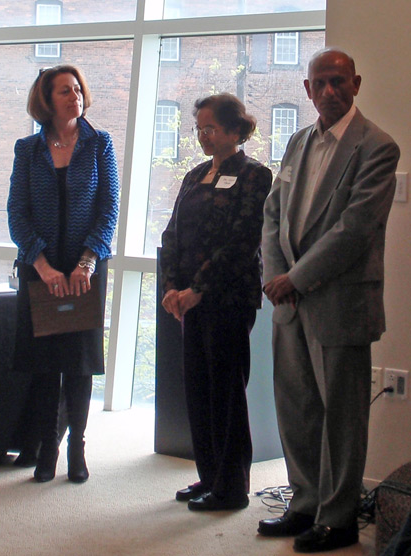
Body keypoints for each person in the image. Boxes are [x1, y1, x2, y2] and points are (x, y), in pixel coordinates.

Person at [258, 48, 400, 552]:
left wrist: (295, 278)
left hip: (339, 303)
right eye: (320, 83)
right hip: (289, 303)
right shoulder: (297, 142)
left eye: (339, 81)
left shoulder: (378, 147)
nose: (330, 91)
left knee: (341, 418)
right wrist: (277, 276)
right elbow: (273, 216)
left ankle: (338, 518)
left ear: (356, 84)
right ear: (307, 90)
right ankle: (304, 504)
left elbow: (354, 230)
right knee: (296, 409)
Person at [160, 93, 272, 511]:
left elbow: (242, 241)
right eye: (199, 128)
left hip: (227, 297)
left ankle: (231, 486)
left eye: (211, 128)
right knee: (199, 389)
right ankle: (208, 476)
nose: (204, 136)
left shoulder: (255, 175)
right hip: (188, 300)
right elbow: (172, 234)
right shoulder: (194, 176)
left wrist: (199, 288)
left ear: (235, 129)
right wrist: (173, 287)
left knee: (226, 391)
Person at [7, 64, 119, 483]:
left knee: (79, 362)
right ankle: (46, 448)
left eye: (76, 89)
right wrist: (43, 266)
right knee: (44, 364)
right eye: (63, 91)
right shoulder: (27, 150)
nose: (74, 96)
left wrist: (86, 262)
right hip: (41, 269)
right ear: (46, 100)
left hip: (85, 270)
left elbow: (109, 209)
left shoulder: (99, 144)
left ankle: (77, 448)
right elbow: (17, 214)